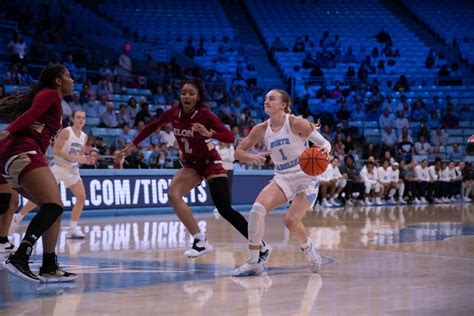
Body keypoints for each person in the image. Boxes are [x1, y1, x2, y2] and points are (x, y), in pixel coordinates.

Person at [118, 79, 271, 260]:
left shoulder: (205, 115)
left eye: (191, 93)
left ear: (198, 97)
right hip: (192, 165)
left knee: (224, 209)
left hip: (210, 162)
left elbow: (229, 137)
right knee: (173, 195)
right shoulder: (174, 114)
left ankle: (260, 245)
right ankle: (200, 240)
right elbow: (152, 126)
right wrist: (131, 146)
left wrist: (210, 133)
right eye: (184, 93)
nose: (187, 96)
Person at [232, 89, 331, 276]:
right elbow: (239, 152)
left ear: (284, 104)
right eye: (265, 98)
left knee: (291, 221)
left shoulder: (295, 122)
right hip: (283, 177)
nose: (266, 101)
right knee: (256, 211)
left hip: (305, 177)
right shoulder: (261, 128)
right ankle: (254, 262)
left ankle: (308, 249)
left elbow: (325, 143)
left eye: (272, 98)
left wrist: (323, 154)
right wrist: (252, 157)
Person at [0, 63, 77, 282]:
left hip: (14, 156)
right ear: (58, 80)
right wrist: (6, 131)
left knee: (53, 209)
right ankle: (20, 257)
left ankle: (50, 264)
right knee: (53, 205)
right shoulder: (50, 94)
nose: (73, 80)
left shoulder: (50, 98)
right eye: (69, 76)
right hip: (22, 151)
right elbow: (32, 113)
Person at [10, 111, 95, 239]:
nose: (81, 120)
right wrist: (75, 158)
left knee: (81, 197)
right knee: (40, 196)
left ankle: (72, 229)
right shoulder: (66, 132)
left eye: (83, 118)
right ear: (73, 119)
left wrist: (84, 159)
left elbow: (80, 155)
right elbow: (56, 151)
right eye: (78, 117)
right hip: (58, 167)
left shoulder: (84, 136)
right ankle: (17, 218)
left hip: (71, 170)